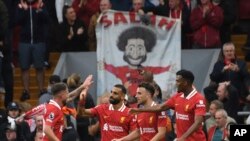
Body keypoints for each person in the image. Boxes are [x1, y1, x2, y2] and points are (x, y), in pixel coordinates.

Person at [130, 69, 207, 141]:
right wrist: (140, 110)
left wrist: (183, 138)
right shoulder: (177, 96)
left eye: (178, 81)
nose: (176, 84)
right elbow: (160, 107)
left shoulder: (198, 99)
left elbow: (198, 122)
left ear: (185, 82)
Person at [16, 75, 94, 141]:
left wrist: (82, 87)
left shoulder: (54, 105)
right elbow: (46, 129)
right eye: (66, 92)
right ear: (61, 95)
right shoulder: (53, 109)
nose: (68, 94)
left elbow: (71, 96)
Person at [104, 26, 171, 97]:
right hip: (129, 105)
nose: (135, 53)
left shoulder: (148, 71)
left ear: (146, 50)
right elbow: (111, 68)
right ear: (125, 49)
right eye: (131, 48)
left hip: (144, 107)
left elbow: (160, 69)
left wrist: (169, 68)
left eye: (140, 48)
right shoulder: (121, 70)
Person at [16, 0, 49, 101]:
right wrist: (25, 10)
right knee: (24, 67)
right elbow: (16, 21)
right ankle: (26, 91)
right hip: (24, 41)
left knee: (40, 67)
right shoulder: (20, 5)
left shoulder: (40, 4)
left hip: (38, 41)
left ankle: (41, 90)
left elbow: (47, 20)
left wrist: (39, 10)